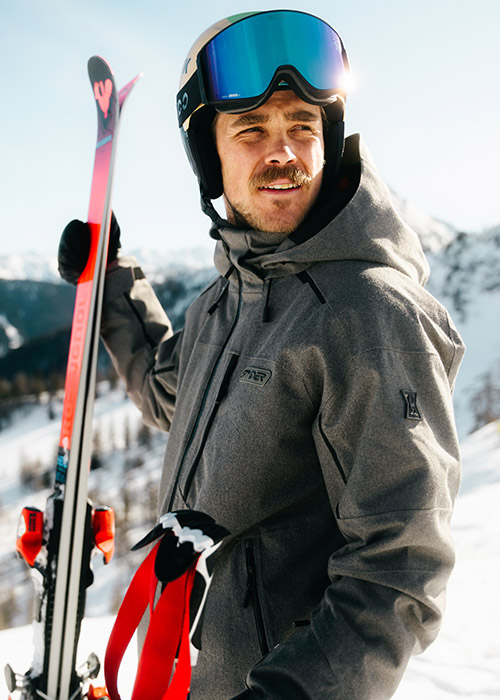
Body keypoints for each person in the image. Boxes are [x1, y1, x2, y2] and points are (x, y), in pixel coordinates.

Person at [58, 10, 465, 699]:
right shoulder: (228, 297)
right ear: (209, 156)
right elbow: (169, 390)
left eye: (302, 127)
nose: (285, 152)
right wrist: (114, 279)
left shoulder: (369, 311)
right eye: (252, 130)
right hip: (190, 670)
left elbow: (400, 571)